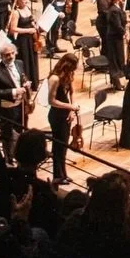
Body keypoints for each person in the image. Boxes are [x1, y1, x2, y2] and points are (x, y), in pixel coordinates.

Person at [0, 42, 30, 159]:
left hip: (21, 105)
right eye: (7, 55)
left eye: (12, 53)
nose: (11, 56)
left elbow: (21, 78)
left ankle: (20, 156)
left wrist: (25, 83)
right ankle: (9, 159)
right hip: (6, 109)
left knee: (21, 131)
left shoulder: (19, 63)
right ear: (1, 56)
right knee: (8, 136)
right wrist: (14, 91)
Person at [47, 53, 78, 185]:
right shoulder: (55, 78)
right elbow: (51, 101)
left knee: (64, 146)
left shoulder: (68, 74)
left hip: (65, 114)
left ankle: (63, 173)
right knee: (58, 147)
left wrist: (71, 110)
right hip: (56, 115)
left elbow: (72, 92)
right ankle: (57, 176)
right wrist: (70, 106)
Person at [7, 0, 40, 85]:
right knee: (25, 61)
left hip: (31, 39)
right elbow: (13, 29)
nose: (26, 1)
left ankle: (34, 83)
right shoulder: (16, 13)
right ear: (18, 1)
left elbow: (31, 20)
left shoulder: (27, 9)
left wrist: (35, 25)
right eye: (24, 0)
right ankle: (26, 84)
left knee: (32, 59)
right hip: (22, 41)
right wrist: (28, 30)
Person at [104, 0, 127, 91]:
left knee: (119, 58)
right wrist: (124, 32)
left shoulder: (117, 6)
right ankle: (117, 82)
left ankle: (117, 80)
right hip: (114, 38)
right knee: (115, 59)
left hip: (116, 37)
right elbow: (117, 26)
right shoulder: (114, 10)